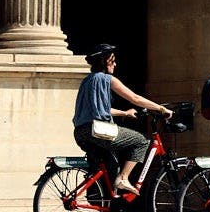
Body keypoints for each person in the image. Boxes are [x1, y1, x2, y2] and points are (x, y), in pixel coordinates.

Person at [72, 43, 173, 195]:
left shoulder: (86, 81)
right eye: (113, 61)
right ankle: (124, 178)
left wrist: (125, 113)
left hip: (81, 132)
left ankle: (104, 201)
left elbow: (101, 109)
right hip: (98, 131)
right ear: (105, 62)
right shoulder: (108, 79)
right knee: (142, 141)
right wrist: (161, 108)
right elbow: (135, 98)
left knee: (110, 167)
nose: (115, 64)